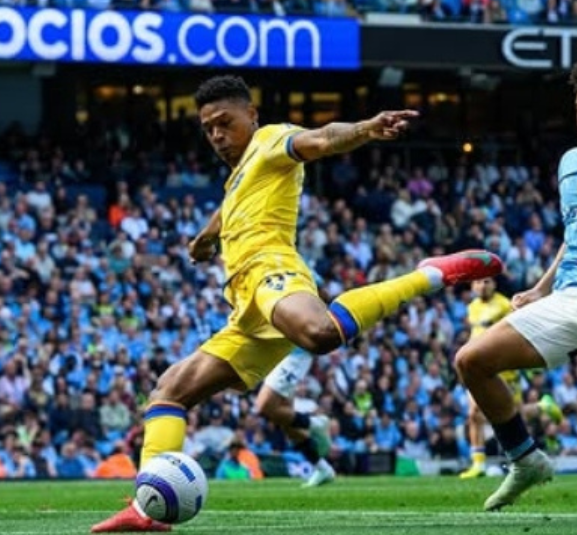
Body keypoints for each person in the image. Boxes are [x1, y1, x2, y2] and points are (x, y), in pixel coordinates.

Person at [91, 75, 503, 532]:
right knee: (168, 391)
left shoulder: (271, 140)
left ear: (253, 115)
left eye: (224, 123)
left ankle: (429, 274)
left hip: (273, 273)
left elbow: (322, 138)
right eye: (208, 129)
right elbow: (229, 208)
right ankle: (147, 511)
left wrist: (366, 128)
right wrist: (205, 239)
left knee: (320, 334)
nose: (216, 136)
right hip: (246, 306)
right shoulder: (240, 175)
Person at [454, 66, 577, 510]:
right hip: (568, 297)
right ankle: (525, 459)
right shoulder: (569, 161)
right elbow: (571, 234)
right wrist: (544, 287)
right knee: (472, 361)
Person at [459, 277, 562, 480]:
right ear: (472, 285)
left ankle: (541, 407)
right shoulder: (471, 307)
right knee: (473, 413)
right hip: (479, 366)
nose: (482, 285)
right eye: (479, 282)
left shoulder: (505, 304)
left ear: (494, 284)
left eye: (487, 282)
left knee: (515, 415)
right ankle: (478, 463)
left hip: (503, 368)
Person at [255, 349, 335, 487]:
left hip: (292, 352)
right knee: (286, 421)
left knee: (264, 406)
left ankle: (316, 423)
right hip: (276, 352)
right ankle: (322, 468)